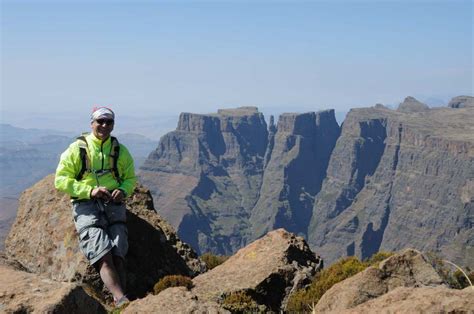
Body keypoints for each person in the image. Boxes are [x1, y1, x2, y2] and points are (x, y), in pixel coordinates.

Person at [55, 107, 136, 307]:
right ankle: (120, 299)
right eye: (100, 121)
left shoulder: (119, 151)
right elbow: (61, 180)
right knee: (102, 251)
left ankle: (121, 300)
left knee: (119, 249)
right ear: (92, 123)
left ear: (113, 125)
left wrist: (123, 191)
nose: (104, 126)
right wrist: (89, 191)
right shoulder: (77, 149)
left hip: (112, 202)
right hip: (85, 203)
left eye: (108, 122)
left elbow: (130, 178)